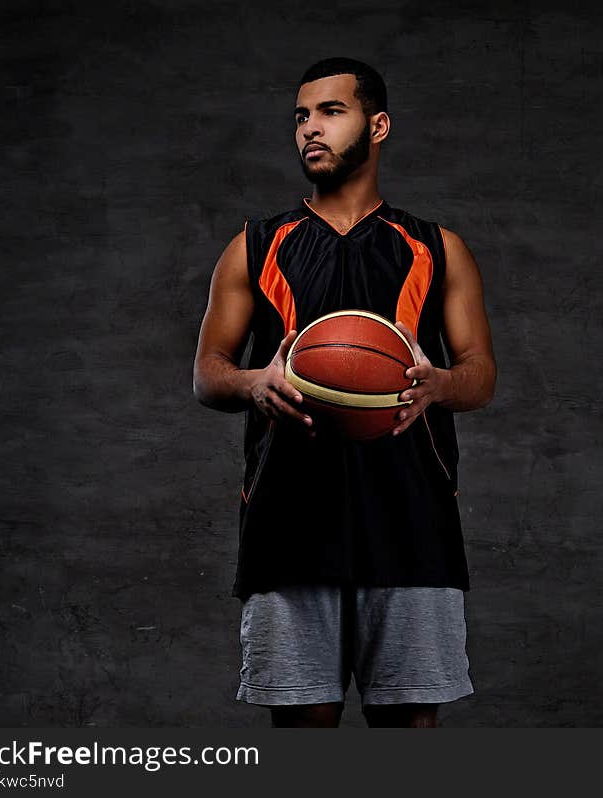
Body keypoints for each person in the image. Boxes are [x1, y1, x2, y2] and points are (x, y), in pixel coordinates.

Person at [192, 57, 496, 728]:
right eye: (302, 115)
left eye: (331, 111)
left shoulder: (435, 247)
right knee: (302, 731)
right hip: (288, 521)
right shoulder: (256, 246)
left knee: (408, 730)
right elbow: (208, 372)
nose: (310, 129)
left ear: (378, 124)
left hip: (412, 520)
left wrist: (437, 383)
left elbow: (480, 374)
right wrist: (254, 380)